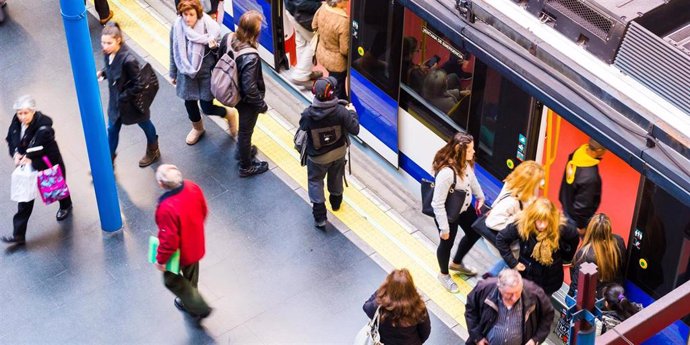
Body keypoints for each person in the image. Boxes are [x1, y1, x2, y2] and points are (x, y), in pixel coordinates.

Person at [2, 96, 73, 245]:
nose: (22, 117)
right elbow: (11, 140)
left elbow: (53, 156)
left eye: (25, 113)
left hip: (45, 165)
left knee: (57, 188)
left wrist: (32, 161)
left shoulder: (44, 129)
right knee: (24, 200)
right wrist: (15, 154)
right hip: (27, 167)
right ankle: (19, 235)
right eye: (19, 113)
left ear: (33, 112)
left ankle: (66, 205)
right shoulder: (16, 124)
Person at [170, 0, 238, 146]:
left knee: (207, 107)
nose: (187, 18)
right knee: (190, 104)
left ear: (198, 14)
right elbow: (173, 51)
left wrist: (214, 48)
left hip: (206, 75)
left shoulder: (210, 29)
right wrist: (173, 73)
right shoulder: (177, 26)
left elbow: (219, 55)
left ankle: (228, 114)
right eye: (184, 14)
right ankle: (197, 128)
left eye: (191, 14)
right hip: (186, 74)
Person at [154, 164, 212, 324]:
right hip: (196, 243)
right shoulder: (193, 187)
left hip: (180, 252)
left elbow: (169, 241)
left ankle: (198, 307)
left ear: (161, 184)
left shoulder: (166, 207)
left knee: (171, 280)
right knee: (191, 276)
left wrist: (161, 260)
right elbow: (204, 210)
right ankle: (191, 301)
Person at [300, 77, 359, 229]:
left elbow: (303, 126)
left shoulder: (308, 114)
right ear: (332, 93)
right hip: (338, 152)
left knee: (315, 181)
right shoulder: (341, 111)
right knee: (336, 175)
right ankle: (336, 203)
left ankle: (320, 218)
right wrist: (352, 113)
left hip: (318, 157)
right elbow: (355, 130)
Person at [99, 22, 160, 167]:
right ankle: (109, 160)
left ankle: (153, 149)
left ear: (118, 40)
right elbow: (113, 70)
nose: (105, 46)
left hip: (131, 102)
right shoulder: (108, 54)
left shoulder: (129, 60)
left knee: (145, 124)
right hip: (117, 102)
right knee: (112, 129)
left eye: (109, 43)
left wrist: (124, 96)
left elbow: (138, 84)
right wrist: (104, 73)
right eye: (103, 42)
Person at [431, 133, 486, 293]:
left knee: (475, 232)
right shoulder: (447, 173)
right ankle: (443, 274)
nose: (473, 152)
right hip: (448, 214)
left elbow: (472, 179)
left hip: (463, 206)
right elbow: (437, 203)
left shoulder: (464, 164)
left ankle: (456, 263)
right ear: (460, 151)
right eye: (470, 150)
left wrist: (480, 196)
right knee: (446, 243)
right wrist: (444, 228)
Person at [495, 197, 579, 296]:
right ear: (532, 218)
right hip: (527, 277)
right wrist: (513, 263)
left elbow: (573, 238)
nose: (542, 226)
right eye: (539, 220)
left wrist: (565, 257)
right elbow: (501, 239)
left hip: (550, 280)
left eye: (546, 221)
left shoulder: (559, 227)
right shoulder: (523, 225)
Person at [483, 160, 545, 277]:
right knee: (510, 266)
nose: (541, 183)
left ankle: (489, 277)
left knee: (507, 263)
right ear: (530, 183)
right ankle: (492, 286)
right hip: (507, 244)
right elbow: (492, 222)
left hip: (510, 244)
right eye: (538, 181)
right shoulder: (513, 202)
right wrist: (519, 220)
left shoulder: (514, 185)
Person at [465, 269, 554, 345]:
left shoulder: (535, 293)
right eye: (509, 294)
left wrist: (536, 339)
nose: (514, 298)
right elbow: (471, 310)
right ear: (499, 288)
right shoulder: (484, 288)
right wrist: (477, 337)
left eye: (517, 292)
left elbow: (548, 315)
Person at [230, 10, 270, 177]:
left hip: (234, 93)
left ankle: (242, 151)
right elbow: (250, 88)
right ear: (254, 31)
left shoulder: (230, 38)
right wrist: (261, 105)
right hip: (247, 101)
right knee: (246, 132)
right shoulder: (251, 57)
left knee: (244, 132)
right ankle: (246, 166)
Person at [362, 269, 431, 344]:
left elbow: (366, 306)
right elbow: (425, 332)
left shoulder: (379, 307)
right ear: (411, 289)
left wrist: (381, 292)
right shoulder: (418, 307)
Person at [568, 213, 626, 297]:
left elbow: (577, 283)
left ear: (590, 230)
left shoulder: (585, 254)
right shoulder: (619, 241)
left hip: (596, 298)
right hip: (615, 293)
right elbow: (623, 267)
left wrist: (570, 297)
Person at [559, 138, 606, 236]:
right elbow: (582, 207)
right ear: (599, 151)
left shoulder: (578, 153)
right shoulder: (590, 177)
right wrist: (581, 227)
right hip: (575, 219)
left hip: (567, 202)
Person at [312, 0, 349, 100]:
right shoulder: (343, 21)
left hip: (322, 54)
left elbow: (314, 25)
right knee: (338, 87)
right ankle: (338, 106)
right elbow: (345, 50)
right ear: (339, 2)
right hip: (337, 63)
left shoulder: (323, 8)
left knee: (334, 81)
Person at [285, 0, 323, 84]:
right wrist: (320, 5)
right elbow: (300, 3)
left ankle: (305, 72)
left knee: (301, 41)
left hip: (293, 11)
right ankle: (301, 74)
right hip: (303, 16)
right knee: (315, 42)